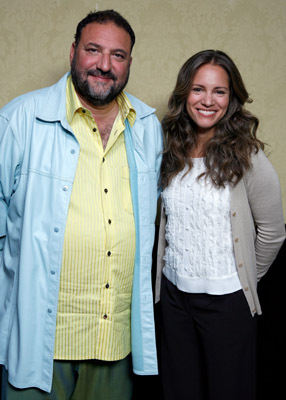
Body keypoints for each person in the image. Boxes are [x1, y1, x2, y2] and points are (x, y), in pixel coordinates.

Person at [0, 10, 162, 399]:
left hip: (114, 340)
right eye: (93, 50)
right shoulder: (20, 118)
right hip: (41, 339)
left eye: (118, 55)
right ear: (73, 51)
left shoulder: (147, 126)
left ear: (129, 63)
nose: (104, 65)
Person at [155, 49, 285, 400]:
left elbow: (273, 233)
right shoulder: (169, 147)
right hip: (173, 297)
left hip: (227, 303)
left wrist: (241, 279)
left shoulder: (247, 155)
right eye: (198, 89)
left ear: (232, 98)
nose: (208, 100)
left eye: (219, 91)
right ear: (184, 94)